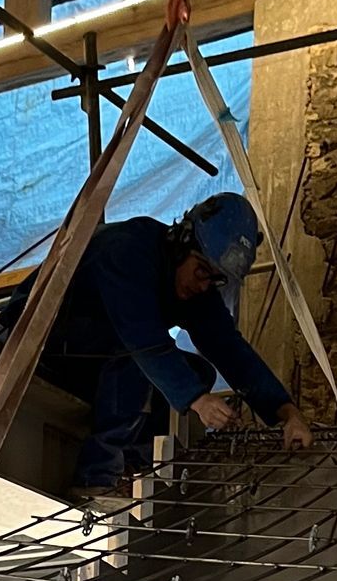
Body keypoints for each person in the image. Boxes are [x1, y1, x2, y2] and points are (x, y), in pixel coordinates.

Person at [35, 192, 315, 498]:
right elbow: (142, 338)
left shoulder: (194, 281)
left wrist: (288, 413)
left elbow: (231, 350)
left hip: (103, 356)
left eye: (215, 279)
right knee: (140, 359)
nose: (204, 285)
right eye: (201, 271)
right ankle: (97, 477)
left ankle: (134, 466)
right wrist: (198, 401)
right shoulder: (128, 250)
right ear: (182, 242)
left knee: (198, 372)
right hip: (44, 340)